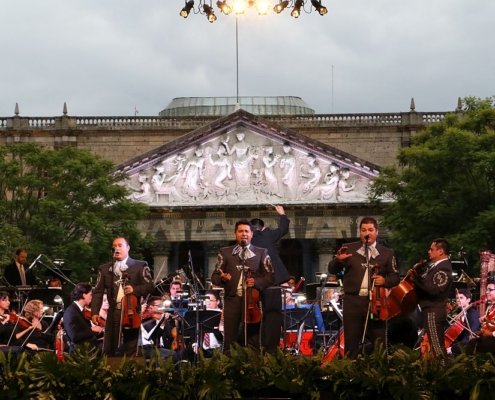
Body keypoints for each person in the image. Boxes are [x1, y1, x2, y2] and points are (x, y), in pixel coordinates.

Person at [328, 217, 399, 359]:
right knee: (351, 342)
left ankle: (378, 375)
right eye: (364, 230)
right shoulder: (350, 249)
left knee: (379, 344)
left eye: (371, 230)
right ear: (360, 233)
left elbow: (395, 277)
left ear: (377, 232)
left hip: (376, 303)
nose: (367, 233)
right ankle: (351, 376)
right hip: (353, 302)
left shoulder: (386, 253)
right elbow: (332, 269)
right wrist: (338, 260)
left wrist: (384, 280)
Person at [210, 219, 274, 354]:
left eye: (246, 231)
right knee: (230, 341)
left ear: (252, 234)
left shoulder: (261, 252)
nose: (243, 234)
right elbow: (214, 277)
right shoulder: (225, 252)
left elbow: (270, 277)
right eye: (240, 231)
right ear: (235, 234)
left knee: (253, 341)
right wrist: (222, 278)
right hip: (232, 301)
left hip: (252, 302)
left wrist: (256, 282)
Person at [91, 236, 154, 356]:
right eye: (114, 246)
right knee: (110, 349)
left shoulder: (140, 266)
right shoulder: (105, 269)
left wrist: (134, 289)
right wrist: (95, 312)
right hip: (113, 312)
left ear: (128, 248)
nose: (116, 249)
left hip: (131, 312)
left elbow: (150, 286)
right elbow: (98, 291)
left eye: (120, 245)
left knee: (130, 347)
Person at [250, 205, 290, 354]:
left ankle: (254, 349)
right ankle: (271, 349)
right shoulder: (267, 235)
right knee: (273, 315)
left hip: (255, 283)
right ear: (263, 227)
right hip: (272, 281)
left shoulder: (249, 240)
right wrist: (282, 214)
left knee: (254, 316)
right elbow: (283, 229)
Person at [413, 238, 453, 359]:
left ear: (440, 251)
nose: (429, 252)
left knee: (437, 346)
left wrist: (416, 278)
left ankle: (443, 372)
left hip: (434, 311)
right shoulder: (435, 266)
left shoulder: (444, 268)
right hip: (431, 310)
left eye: (432, 249)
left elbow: (434, 289)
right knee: (435, 345)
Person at [63, 282, 103, 353]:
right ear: (84, 295)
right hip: (80, 355)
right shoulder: (70, 312)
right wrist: (91, 329)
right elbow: (74, 336)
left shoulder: (80, 310)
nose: (92, 297)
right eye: (90, 295)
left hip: (88, 351)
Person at [446, 288, 480, 355]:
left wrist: (452, 348)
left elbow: (469, 336)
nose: (458, 300)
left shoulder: (472, 314)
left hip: (465, 347)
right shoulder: (459, 313)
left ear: (468, 300)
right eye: (457, 298)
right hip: (457, 345)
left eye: (461, 298)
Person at [466, 281, 495, 355]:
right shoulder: (490, 307)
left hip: (492, 338)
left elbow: (490, 331)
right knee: (471, 342)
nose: (487, 292)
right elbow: (488, 325)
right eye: (486, 290)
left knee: (479, 345)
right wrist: (480, 332)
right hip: (489, 337)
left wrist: (491, 334)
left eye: (489, 290)